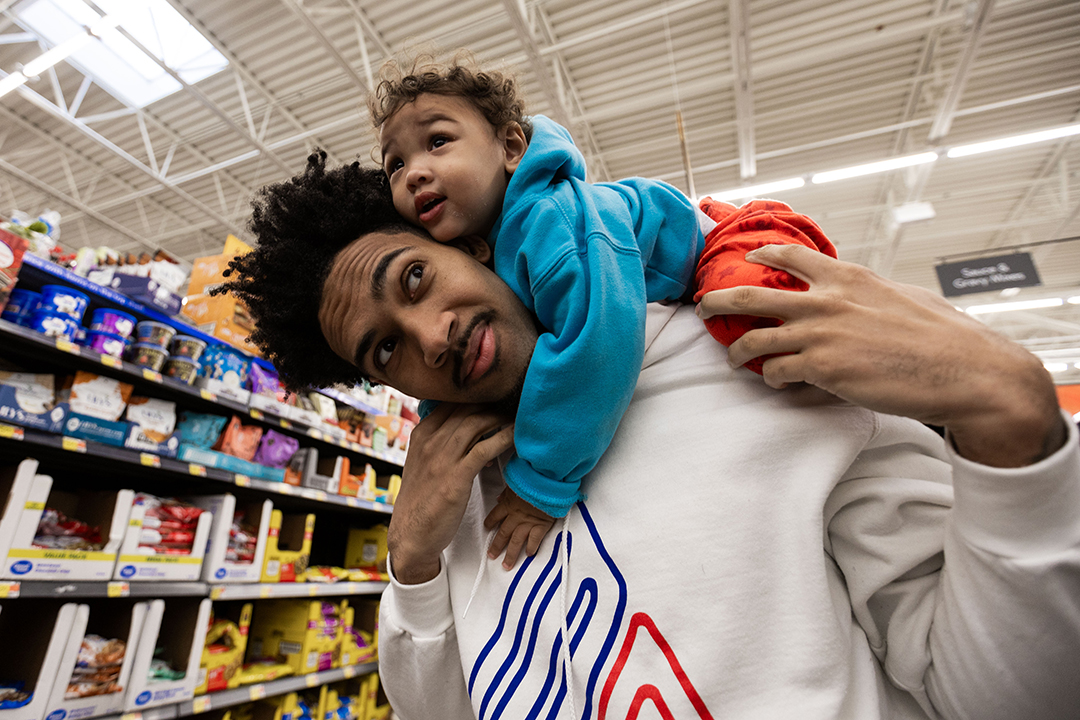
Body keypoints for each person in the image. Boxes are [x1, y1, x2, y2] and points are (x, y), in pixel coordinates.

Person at [220, 157, 1080, 720]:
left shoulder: (746, 358)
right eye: (384, 347)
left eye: (415, 278)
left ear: (477, 244)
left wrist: (1015, 429)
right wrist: (411, 565)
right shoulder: (456, 490)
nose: (430, 335)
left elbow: (997, 693)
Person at [368, 55, 837, 560]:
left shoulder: (550, 219)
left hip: (726, 242)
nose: (415, 172)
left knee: (756, 319)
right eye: (396, 164)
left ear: (510, 147)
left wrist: (542, 482)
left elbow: (598, 343)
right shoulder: (484, 247)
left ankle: (834, 406)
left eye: (438, 142)